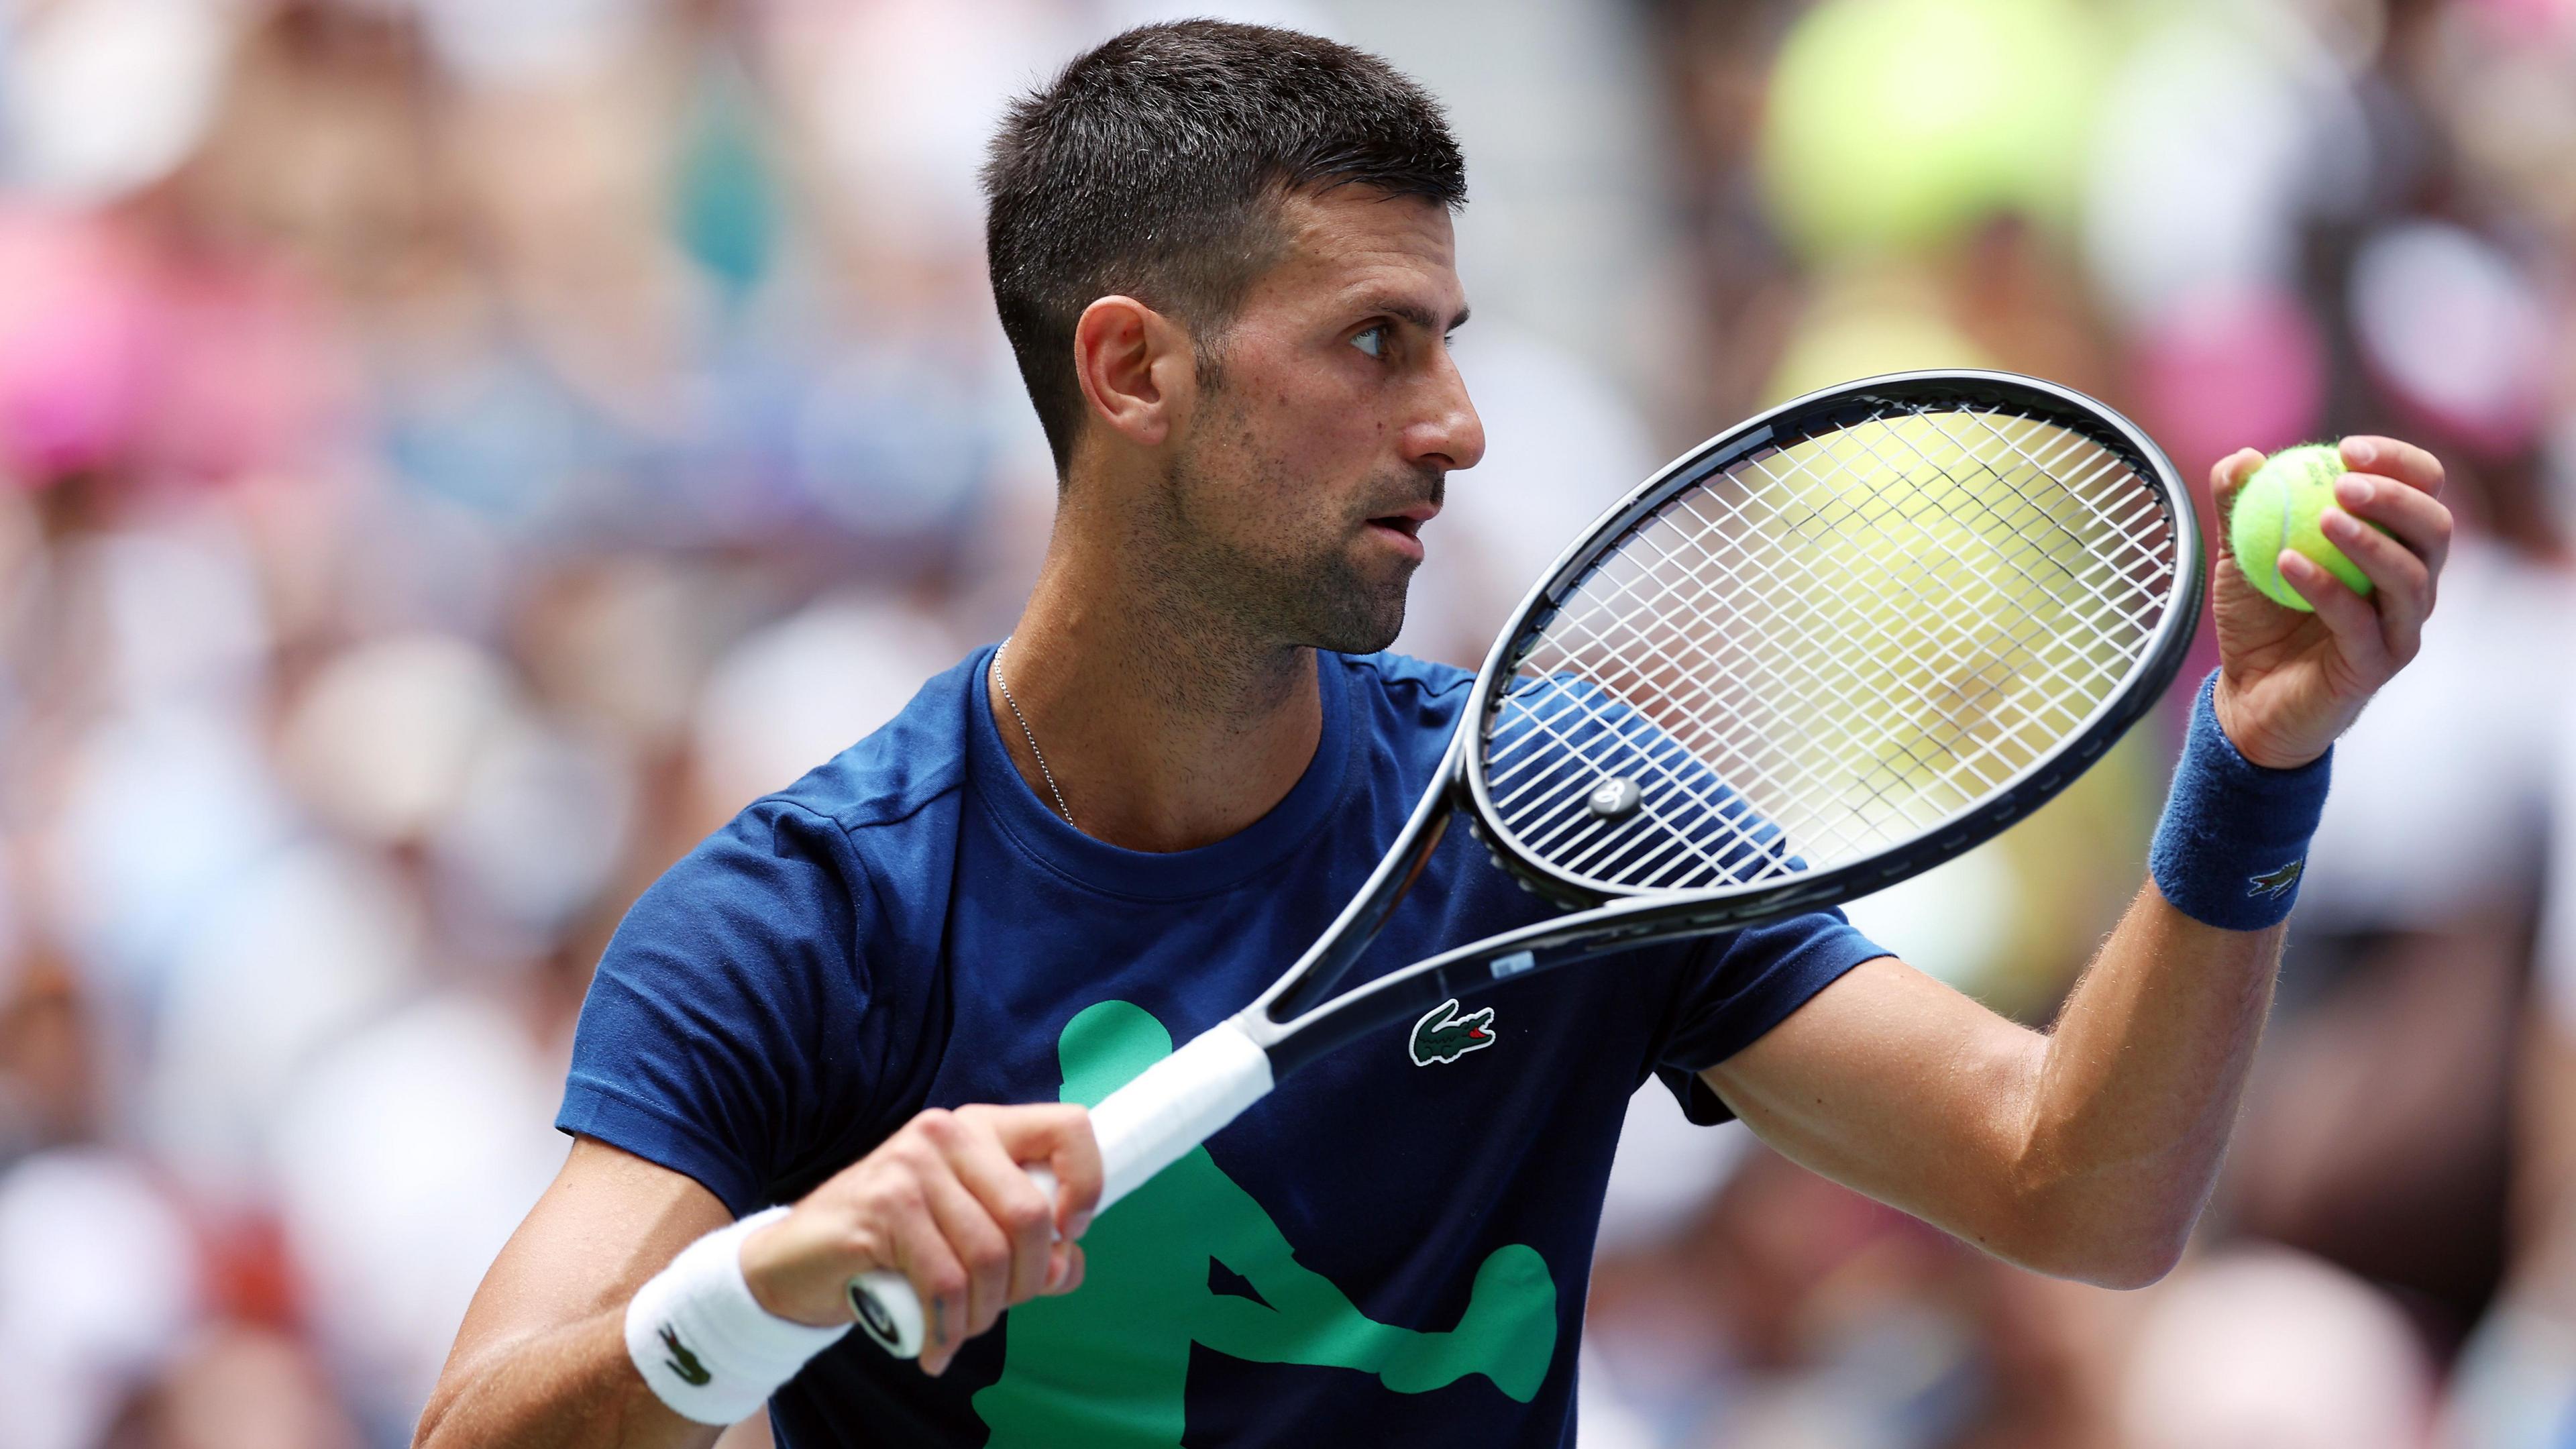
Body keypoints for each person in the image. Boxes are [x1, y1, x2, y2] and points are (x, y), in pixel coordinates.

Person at [412, 21, 2454, 1449]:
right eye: (1376, 342)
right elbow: (483, 1432)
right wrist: (784, 1272)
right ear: (1133, 368)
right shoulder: (813, 917)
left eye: (1453, 342)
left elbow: (2076, 1189)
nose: (1458, 423)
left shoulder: (1552, 808)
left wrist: (2258, 762)